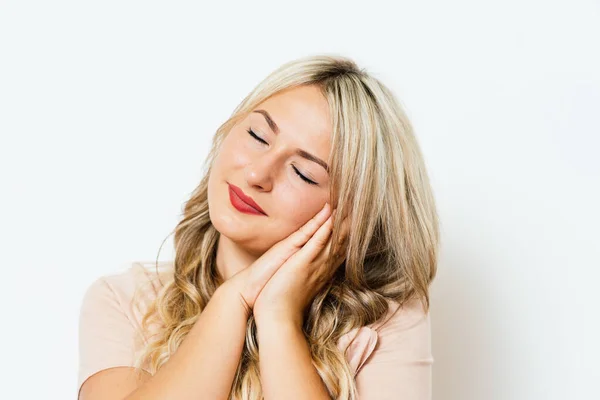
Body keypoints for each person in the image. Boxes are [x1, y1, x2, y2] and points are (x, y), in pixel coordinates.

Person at [77, 54, 439, 400]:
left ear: (350, 218)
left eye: (303, 173)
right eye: (257, 136)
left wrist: (279, 317)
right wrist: (233, 300)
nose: (256, 174)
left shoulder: (383, 326)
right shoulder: (125, 299)